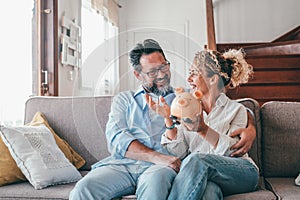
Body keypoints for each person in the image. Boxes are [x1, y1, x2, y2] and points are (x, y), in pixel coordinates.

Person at [69, 39, 257, 200]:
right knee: (83, 189)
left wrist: (251, 125)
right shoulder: (124, 100)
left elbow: (232, 104)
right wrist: (162, 147)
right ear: (138, 74)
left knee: (163, 180)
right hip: (124, 166)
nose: (161, 75)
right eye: (152, 72)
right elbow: (117, 140)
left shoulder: (184, 100)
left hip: (161, 170)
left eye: (164, 67)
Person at [146, 49, 259, 199]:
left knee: (197, 159)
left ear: (213, 79)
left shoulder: (236, 110)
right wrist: (168, 119)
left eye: (194, 72)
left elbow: (233, 152)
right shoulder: (187, 107)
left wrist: (203, 130)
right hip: (209, 177)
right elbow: (177, 153)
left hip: (241, 173)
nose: (188, 78)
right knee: (209, 192)